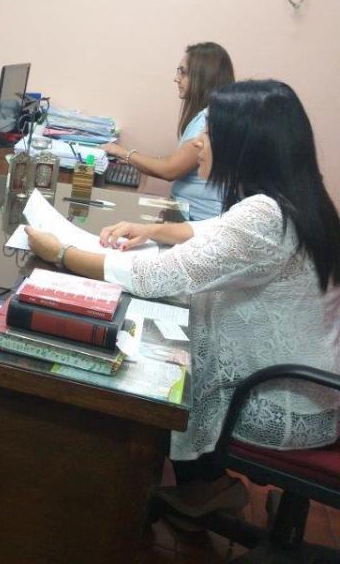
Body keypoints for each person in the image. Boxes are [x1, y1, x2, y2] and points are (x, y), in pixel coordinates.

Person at [27, 80, 340, 517]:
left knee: (152, 367)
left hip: (279, 404)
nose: (198, 143)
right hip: (310, 393)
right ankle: (205, 485)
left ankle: (131, 499)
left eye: (210, 132)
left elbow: (157, 276)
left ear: (246, 144)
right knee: (169, 339)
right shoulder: (297, 201)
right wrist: (151, 230)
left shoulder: (265, 215)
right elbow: (213, 232)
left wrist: (61, 252)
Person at [102, 42, 234, 220]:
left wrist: (121, 152)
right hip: (186, 213)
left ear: (203, 77)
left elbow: (170, 170)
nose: (176, 78)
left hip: (197, 220)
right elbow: (175, 160)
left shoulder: (208, 119)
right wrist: (135, 158)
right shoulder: (206, 115)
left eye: (183, 72)